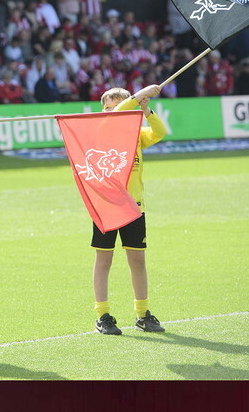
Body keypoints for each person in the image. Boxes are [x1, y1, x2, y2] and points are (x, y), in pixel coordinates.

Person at [93, 84, 167, 336]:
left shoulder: (136, 135)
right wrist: (138, 96)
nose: (111, 112)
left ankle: (142, 314)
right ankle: (102, 315)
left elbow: (160, 132)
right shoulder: (102, 130)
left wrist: (145, 110)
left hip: (134, 206)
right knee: (104, 260)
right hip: (106, 206)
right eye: (107, 108)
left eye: (116, 106)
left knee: (137, 260)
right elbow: (118, 114)